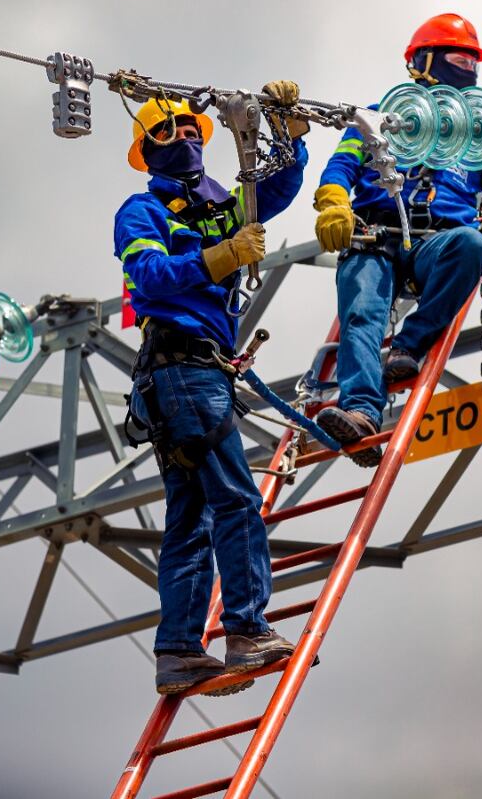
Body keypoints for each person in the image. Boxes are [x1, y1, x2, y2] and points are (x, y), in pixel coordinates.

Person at [312, 12, 482, 466]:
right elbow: (342, 166)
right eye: (458, 58)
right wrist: (334, 201)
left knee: (472, 247)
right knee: (362, 313)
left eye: (473, 62)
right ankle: (360, 409)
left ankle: (409, 348)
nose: (468, 70)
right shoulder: (378, 119)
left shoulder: (478, 139)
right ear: (424, 61)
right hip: (376, 235)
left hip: (437, 242)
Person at [115, 83, 310, 695]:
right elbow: (147, 273)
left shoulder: (218, 203)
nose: (186, 137)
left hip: (185, 375)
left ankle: (177, 651)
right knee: (234, 499)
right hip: (184, 369)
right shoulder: (143, 211)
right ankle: (247, 630)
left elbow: (269, 192)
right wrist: (219, 259)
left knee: (193, 517)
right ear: (146, 151)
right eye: (167, 133)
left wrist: (288, 139)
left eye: (191, 129)